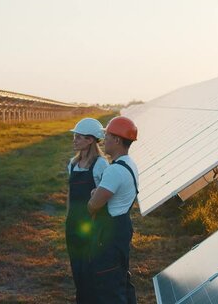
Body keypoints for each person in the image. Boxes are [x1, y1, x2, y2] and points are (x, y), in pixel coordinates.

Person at [87, 116, 139, 304]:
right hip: (121, 230)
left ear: (117, 140)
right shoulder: (129, 164)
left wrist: (94, 196)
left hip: (108, 236)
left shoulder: (114, 171)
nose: (104, 140)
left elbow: (93, 205)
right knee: (120, 281)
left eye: (107, 135)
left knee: (108, 287)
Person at [66, 117, 108, 303]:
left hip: (91, 224)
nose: (74, 140)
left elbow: (103, 198)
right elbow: (69, 194)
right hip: (73, 224)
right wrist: (68, 219)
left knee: (89, 268)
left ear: (90, 140)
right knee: (77, 267)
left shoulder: (100, 165)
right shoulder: (73, 164)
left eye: (78, 137)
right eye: (74, 136)